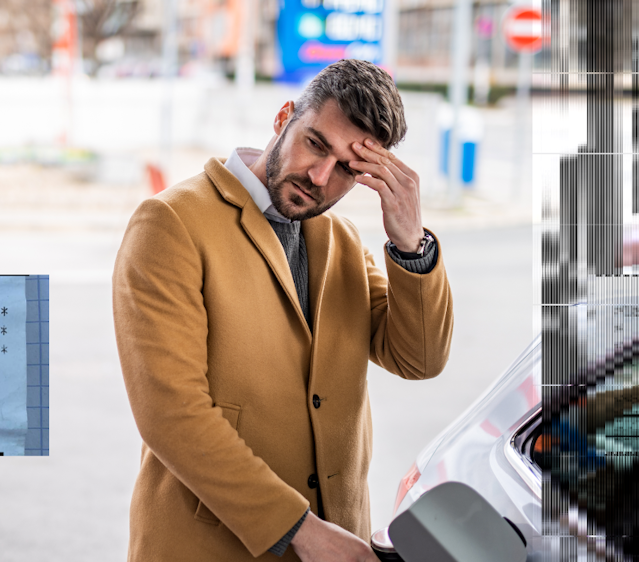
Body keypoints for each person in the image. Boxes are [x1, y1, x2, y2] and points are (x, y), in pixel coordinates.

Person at [111, 59, 454, 561]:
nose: (320, 177)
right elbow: (171, 415)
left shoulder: (342, 241)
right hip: (211, 547)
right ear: (283, 117)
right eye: (316, 144)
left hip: (339, 544)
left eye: (347, 169)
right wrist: (303, 531)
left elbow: (419, 359)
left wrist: (410, 242)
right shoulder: (171, 224)